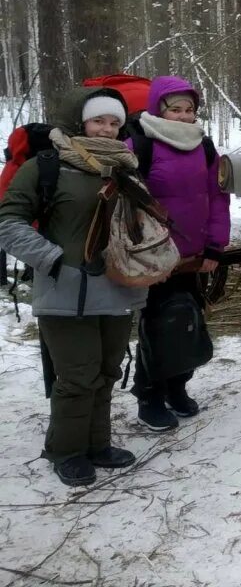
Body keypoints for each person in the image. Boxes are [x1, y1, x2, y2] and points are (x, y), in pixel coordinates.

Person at [0, 89, 148, 486]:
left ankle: (98, 444)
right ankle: (66, 450)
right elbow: (8, 221)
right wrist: (51, 260)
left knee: (106, 371)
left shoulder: (125, 168)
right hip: (65, 291)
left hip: (117, 288)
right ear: (79, 121)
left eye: (115, 122)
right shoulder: (46, 165)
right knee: (78, 376)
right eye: (99, 120)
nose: (108, 128)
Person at [127, 77, 230, 431]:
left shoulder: (204, 147)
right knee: (158, 325)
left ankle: (176, 387)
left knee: (187, 321)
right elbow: (128, 203)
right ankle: (149, 395)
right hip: (155, 257)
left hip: (194, 255)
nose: (184, 116)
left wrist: (216, 244)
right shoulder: (140, 144)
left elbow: (217, 196)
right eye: (176, 109)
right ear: (159, 108)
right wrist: (143, 253)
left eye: (189, 109)